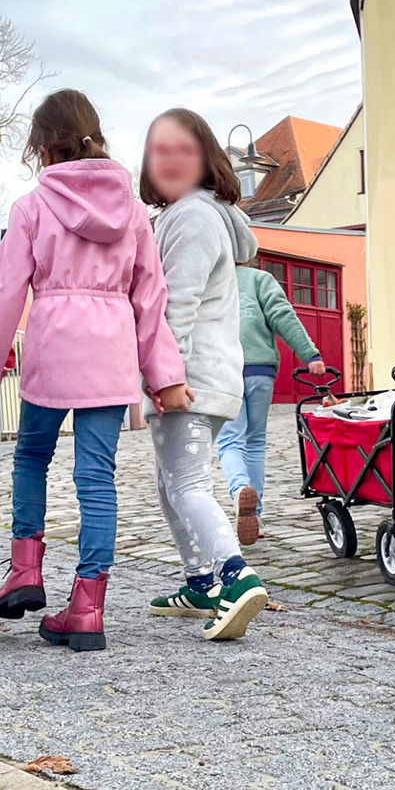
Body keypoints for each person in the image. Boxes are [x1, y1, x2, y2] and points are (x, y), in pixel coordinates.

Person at [0, 89, 187, 653]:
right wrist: (162, 376)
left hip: (53, 350)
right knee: (96, 480)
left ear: (42, 146)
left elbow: (6, 291)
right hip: (110, 357)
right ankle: (87, 608)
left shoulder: (32, 207)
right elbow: (149, 299)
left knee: (31, 458)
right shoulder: (135, 212)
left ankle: (25, 570)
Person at [139, 107, 269, 640]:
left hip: (186, 375)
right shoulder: (199, 214)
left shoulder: (192, 216)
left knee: (187, 482)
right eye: (158, 149)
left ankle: (235, 578)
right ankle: (198, 582)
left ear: (205, 158)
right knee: (170, 483)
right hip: (207, 374)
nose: (168, 159)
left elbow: (177, 302)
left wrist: (160, 373)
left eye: (182, 149)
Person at [216, 257, 325, 545]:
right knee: (255, 441)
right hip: (260, 371)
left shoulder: (210, 280)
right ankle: (257, 516)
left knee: (230, 440)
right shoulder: (260, 279)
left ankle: (240, 491)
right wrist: (310, 355)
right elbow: (283, 315)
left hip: (225, 370)